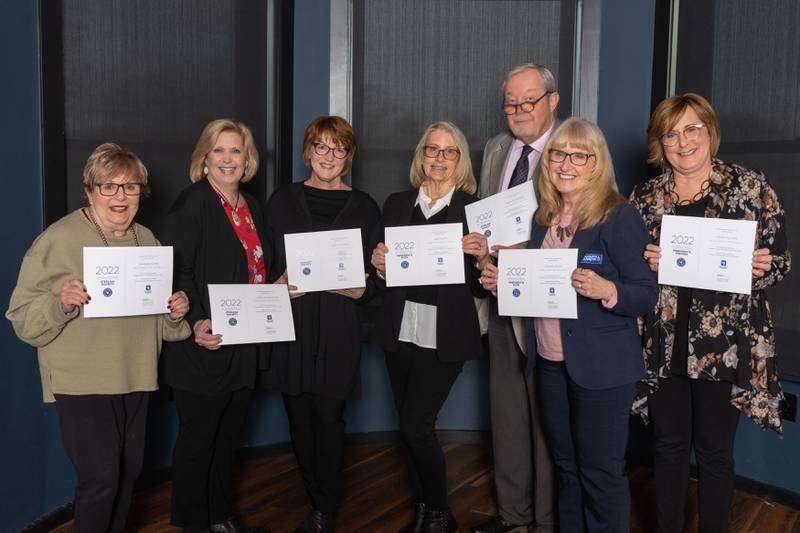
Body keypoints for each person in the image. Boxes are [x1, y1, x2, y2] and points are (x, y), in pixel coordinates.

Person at [481, 118, 658, 532]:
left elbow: (646, 293)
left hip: (601, 370)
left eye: (580, 155)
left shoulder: (618, 216)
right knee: (565, 468)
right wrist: (503, 283)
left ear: (597, 164)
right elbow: (540, 286)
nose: (566, 163)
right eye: (558, 154)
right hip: (549, 363)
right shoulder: (543, 218)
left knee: (600, 473)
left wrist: (606, 289)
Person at [6, 143, 191, 533]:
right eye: (108, 187)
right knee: (100, 479)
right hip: (82, 379)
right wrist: (61, 302)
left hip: (136, 375)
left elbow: (162, 324)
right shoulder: (59, 239)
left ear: (143, 192)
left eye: (130, 186)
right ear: (88, 191)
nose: (120, 197)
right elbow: (21, 318)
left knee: (127, 474)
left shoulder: (148, 240)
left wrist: (175, 310)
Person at [630, 93, 791, 533]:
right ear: (659, 142)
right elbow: (625, 271)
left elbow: (781, 261)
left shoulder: (750, 187)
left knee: (716, 453)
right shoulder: (645, 197)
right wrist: (644, 264)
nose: (683, 141)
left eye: (692, 129)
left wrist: (763, 266)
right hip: (664, 344)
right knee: (668, 447)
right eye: (671, 132)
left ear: (710, 131)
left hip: (724, 347)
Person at [259, 116, 380, 532]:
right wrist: (276, 284)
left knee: (328, 419)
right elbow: (266, 267)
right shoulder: (281, 201)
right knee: (299, 419)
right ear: (308, 152)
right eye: (322, 147)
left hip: (338, 328)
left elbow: (377, 280)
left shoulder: (365, 206)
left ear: (349, 158)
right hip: (292, 325)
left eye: (339, 149)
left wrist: (362, 290)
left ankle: (323, 509)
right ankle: (314, 496)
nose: (329, 156)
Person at [370, 121, 487, 533]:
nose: (439, 158)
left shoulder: (474, 210)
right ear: (421, 157)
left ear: (460, 160)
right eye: (431, 150)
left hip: (447, 331)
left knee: (415, 425)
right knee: (410, 427)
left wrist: (481, 259)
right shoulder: (397, 204)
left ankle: (438, 512)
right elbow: (385, 274)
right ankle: (424, 511)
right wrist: (379, 265)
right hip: (399, 328)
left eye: (449, 151)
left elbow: (483, 288)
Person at [161, 119, 268, 533]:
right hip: (202, 345)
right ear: (204, 158)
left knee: (227, 440)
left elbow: (258, 269)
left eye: (236, 151)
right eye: (219, 151)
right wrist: (195, 321)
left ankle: (220, 515)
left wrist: (277, 288)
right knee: (198, 441)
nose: (228, 159)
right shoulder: (193, 203)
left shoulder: (252, 208)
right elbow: (177, 271)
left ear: (248, 159)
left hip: (244, 344)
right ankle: (192, 522)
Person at [470, 63, 559, 533]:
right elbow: (488, 220)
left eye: (530, 100)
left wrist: (521, 256)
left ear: (553, 101)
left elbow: (587, 228)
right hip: (499, 302)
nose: (519, 110)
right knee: (505, 417)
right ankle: (514, 520)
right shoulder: (496, 148)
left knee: (545, 421)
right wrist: (485, 257)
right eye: (511, 102)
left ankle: (545, 523)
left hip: (547, 304)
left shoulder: (574, 148)